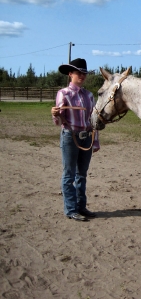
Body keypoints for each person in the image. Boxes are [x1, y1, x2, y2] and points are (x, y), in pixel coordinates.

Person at [51, 58, 100, 221]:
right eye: (79, 73)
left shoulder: (89, 95)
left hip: (86, 137)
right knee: (69, 174)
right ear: (70, 74)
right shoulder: (63, 94)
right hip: (70, 137)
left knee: (82, 174)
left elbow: (93, 120)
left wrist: (96, 140)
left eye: (84, 73)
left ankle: (81, 207)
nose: (82, 76)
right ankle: (71, 209)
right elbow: (58, 121)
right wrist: (55, 114)